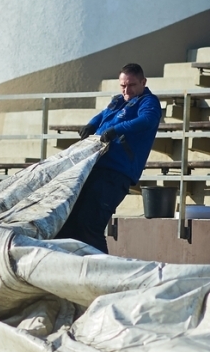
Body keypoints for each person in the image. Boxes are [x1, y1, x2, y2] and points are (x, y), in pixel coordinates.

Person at [57, 62, 162, 253]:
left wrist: (116, 130)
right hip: (94, 168)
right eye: (123, 86)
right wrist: (91, 124)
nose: (126, 90)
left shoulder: (148, 102)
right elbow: (105, 114)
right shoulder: (119, 100)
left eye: (131, 85)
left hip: (115, 175)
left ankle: (104, 273)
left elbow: (148, 120)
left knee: (90, 226)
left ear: (143, 82)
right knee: (69, 224)